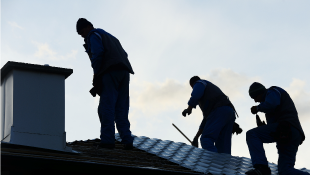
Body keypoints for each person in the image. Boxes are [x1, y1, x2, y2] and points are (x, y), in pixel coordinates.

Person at [76, 18, 134, 150]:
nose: (83, 36)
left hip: (110, 72)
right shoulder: (111, 37)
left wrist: (97, 75)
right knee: (121, 108)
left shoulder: (93, 35)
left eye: (82, 32)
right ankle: (127, 140)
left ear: (88, 27)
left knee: (106, 107)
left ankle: (108, 141)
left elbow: (97, 54)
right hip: (124, 73)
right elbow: (124, 54)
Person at [246, 82, 308, 175]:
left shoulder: (272, 91)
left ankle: (261, 168)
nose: (255, 101)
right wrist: (265, 127)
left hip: (287, 129)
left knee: (252, 134)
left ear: (259, 93)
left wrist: (257, 108)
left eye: (255, 97)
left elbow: (272, 103)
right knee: (285, 171)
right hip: (291, 134)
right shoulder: (272, 96)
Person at [182, 76, 241, 154]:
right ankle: (224, 164)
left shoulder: (200, 83)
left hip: (219, 111)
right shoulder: (210, 96)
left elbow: (196, 94)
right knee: (223, 145)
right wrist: (196, 137)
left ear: (192, 85)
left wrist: (189, 108)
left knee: (206, 139)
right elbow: (206, 121)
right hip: (228, 112)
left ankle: (213, 163)